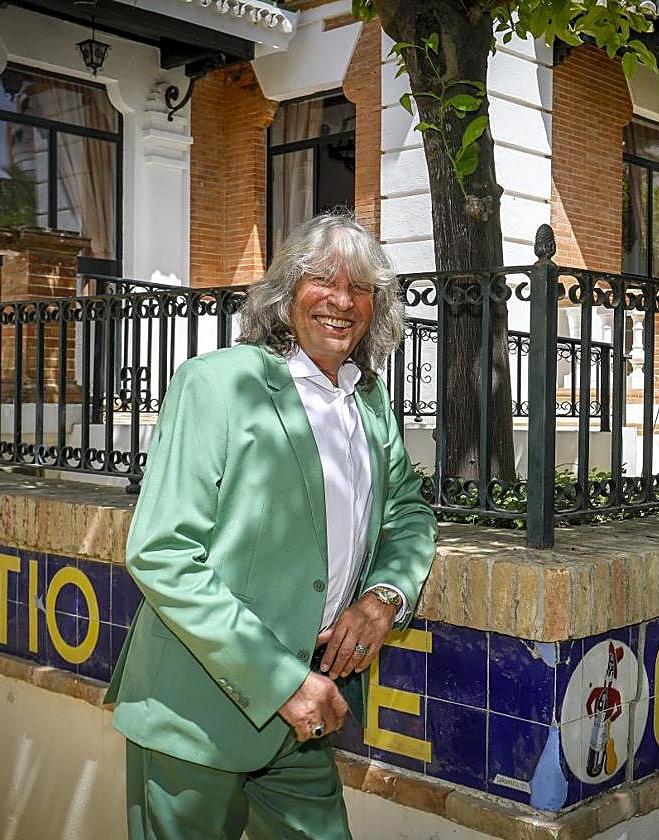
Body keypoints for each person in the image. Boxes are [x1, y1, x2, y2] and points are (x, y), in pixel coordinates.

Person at [104, 212, 437, 839]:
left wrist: (384, 597)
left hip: (305, 719)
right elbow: (162, 553)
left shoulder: (368, 401)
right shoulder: (217, 383)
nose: (342, 301)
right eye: (323, 280)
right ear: (287, 292)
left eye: (360, 287)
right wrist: (282, 682)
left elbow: (409, 513)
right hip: (195, 716)